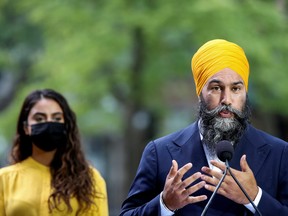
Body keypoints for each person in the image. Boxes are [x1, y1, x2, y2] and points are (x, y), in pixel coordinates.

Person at [120, 39, 288, 215]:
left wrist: (255, 197)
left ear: (245, 93)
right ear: (200, 93)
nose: (227, 99)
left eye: (236, 89)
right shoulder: (159, 152)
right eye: (216, 88)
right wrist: (164, 204)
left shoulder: (280, 153)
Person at [0, 89, 109, 216]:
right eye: (39, 118)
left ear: (65, 126)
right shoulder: (4, 179)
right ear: (26, 128)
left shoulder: (91, 179)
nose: (49, 123)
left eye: (57, 118)